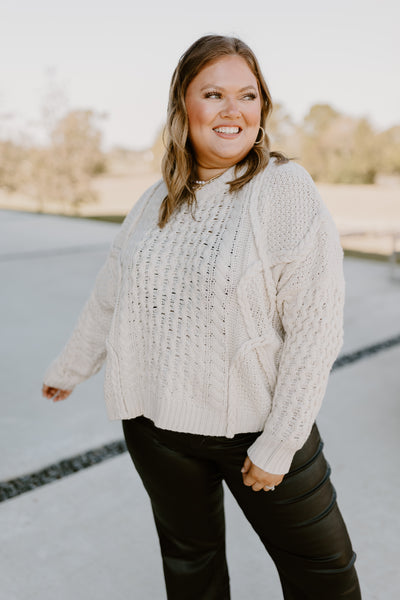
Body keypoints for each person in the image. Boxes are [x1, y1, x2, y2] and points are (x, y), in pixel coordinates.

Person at [42, 34, 361, 599]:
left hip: (254, 429)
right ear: (182, 108)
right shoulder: (153, 201)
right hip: (156, 428)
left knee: (324, 574)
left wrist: (279, 443)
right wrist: (70, 368)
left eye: (248, 94)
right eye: (213, 93)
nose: (233, 109)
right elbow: (110, 297)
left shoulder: (284, 190)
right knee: (192, 566)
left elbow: (315, 328)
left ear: (263, 108)